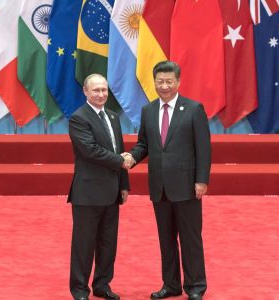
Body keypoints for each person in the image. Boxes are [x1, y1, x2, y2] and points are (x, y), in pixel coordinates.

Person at [123, 61, 211, 300]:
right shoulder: (148, 110)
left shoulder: (194, 109)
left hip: (187, 186)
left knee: (191, 239)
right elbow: (144, 144)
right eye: (159, 81)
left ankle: (195, 287)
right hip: (159, 186)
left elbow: (203, 148)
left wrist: (201, 180)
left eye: (168, 81)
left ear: (178, 82)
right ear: (154, 82)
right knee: (166, 239)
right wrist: (132, 157)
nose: (164, 86)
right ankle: (170, 285)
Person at [67, 74, 131, 300]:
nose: (101, 94)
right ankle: (79, 289)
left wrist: (124, 184)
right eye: (96, 90)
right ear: (85, 91)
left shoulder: (113, 117)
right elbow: (90, 150)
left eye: (104, 90)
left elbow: (119, 148)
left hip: (112, 192)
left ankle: (102, 285)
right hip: (88, 193)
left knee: (107, 244)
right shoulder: (78, 118)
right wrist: (120, 161)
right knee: (84, 244)